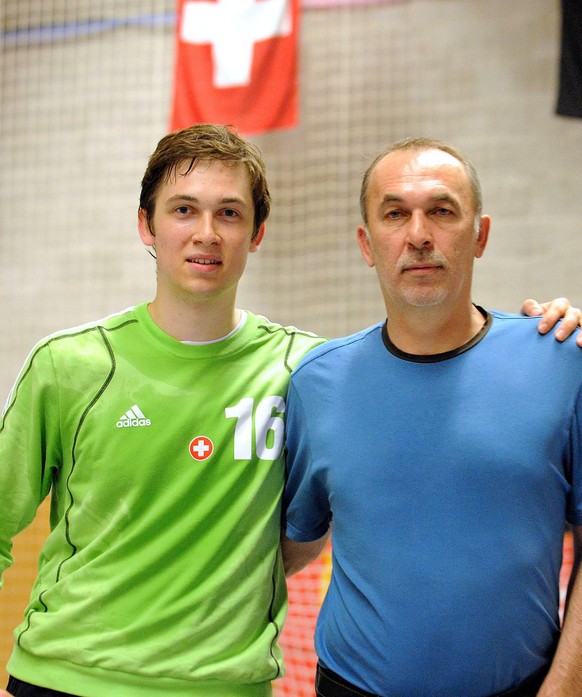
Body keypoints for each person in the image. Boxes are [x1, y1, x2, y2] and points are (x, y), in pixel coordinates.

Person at [0, 125, 579, 697]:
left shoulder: (306, 369)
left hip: (229, 685)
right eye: (183, 210)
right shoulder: (72, 364)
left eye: (229, 213)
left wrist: (553, 331)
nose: (206, 233)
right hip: (66, 678)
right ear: (145, 224)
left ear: (256, 233)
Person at [282, 138, 582, 697]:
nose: (418, 234)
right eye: (395, 214)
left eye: (441, 211)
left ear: (481, 235)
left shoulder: (562, 362)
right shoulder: (316, 383)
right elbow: (291, 545)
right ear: (367, 244)